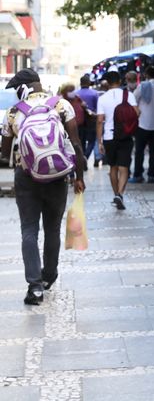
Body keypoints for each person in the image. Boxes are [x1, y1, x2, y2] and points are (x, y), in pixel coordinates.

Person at [0, 69, 86, 305]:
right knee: (52, 228)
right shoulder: (61, 105)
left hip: (26, 176)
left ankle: (35, 286)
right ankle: (49, 275)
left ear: (23, 88)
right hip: (57, 176)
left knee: (29, 230)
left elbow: (5, 153)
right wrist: (78, 177)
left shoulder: (13, 113)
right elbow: (76, 144)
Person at [97, 71, 139, 210]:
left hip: (109, 137)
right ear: (120, 81)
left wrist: (99, 141)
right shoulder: (129, 95)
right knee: (124, 167)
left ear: (107, 83)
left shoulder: (102, 99)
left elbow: (99, 121)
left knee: (113, 167)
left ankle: (116, 194)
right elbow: (137, 112)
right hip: (125, 136)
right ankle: (120, 194)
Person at [130, 66, 154, 184]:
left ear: (146, 75)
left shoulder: (142, 86)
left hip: (142, 124)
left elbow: (133, 100)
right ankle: (151, 175)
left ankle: (138, 174)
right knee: (153, 152)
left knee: (139, 151)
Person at [74, 74, 99, 163]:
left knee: (82, 141)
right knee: (92, 141)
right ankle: (86, 156)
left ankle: (82, 158)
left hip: (79, 122)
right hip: (91, 120)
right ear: (89, 83)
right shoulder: (94, 93)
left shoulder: (76, 94)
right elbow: (97, 108)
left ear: (80, 83)